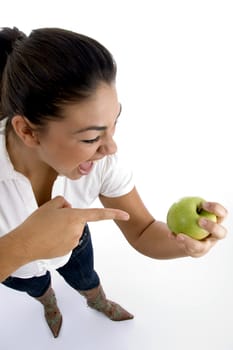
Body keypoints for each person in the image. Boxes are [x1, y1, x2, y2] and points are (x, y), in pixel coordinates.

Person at [0, 26, 227, 338]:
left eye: (113, 125)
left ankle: (97, 300)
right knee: (35, 285)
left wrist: (187, 245)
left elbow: (143, 230)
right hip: (16, 270)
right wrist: (23, 246)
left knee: (85, 277)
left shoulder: (101, 162)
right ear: (27, 131)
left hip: (74, 246)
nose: (110, 148)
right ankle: (47, 301)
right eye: (92, 137)